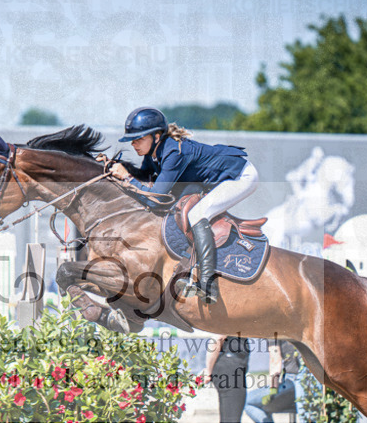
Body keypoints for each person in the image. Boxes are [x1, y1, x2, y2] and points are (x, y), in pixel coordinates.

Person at [108, 107, 259, 304]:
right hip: (212, 180)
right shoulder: (153, 152)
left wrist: (127, 177)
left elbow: (154, 198)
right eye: (132, 140)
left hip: (240, 177)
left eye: (139, 139)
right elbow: (143, 177)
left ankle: (208, 284)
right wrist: (113, 168)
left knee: (197, 214)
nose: (133, 144)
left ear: (156, 136)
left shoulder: (174, 152)